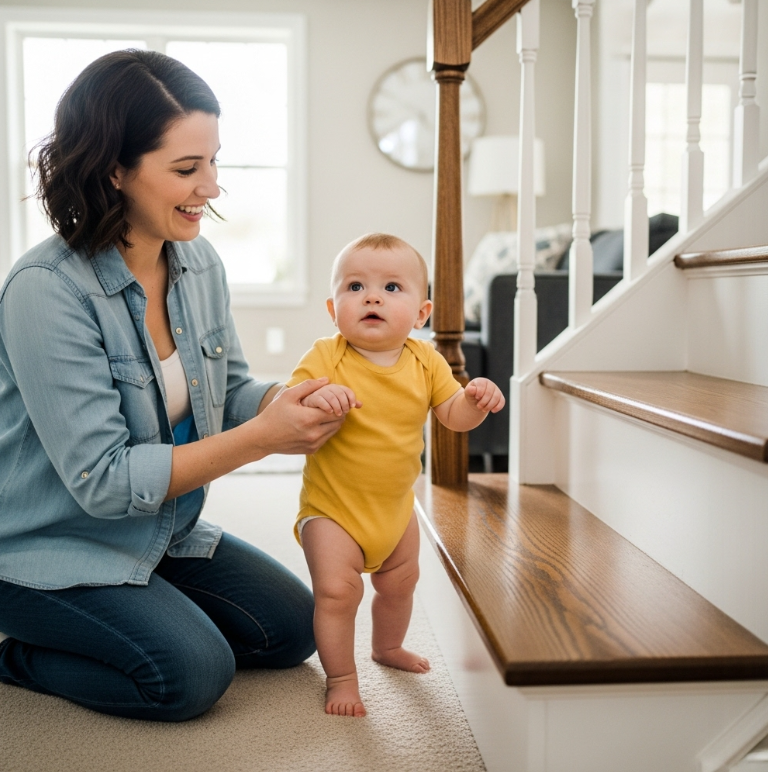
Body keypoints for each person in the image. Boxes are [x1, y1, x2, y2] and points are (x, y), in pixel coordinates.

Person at [0, 50, 343, 722]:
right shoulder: (45, 292)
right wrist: (260, 440)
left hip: (160, 529)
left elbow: (232, 388)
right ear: (115, 170)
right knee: (189, 675)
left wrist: (286, 403)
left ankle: (140, 602)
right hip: (47, 545)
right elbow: (103, 481)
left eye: (213, 161)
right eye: (187, 169)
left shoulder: (199, 261)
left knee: (293, 630)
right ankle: (14, 652)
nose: (211, 187)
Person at [284, 233, 505, 717]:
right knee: (338, 593)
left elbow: (452, 416)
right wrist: (319, 397)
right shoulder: (327, 355)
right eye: (356, 286)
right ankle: (341, 678)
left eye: (391, 288)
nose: (372, 297)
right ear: (333, 307)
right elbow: (291, 404)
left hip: (396, 509)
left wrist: (475, 402)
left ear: (422, 315)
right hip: (333, 512)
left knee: (400, 584)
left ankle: (388, 647)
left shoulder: (427, 360)